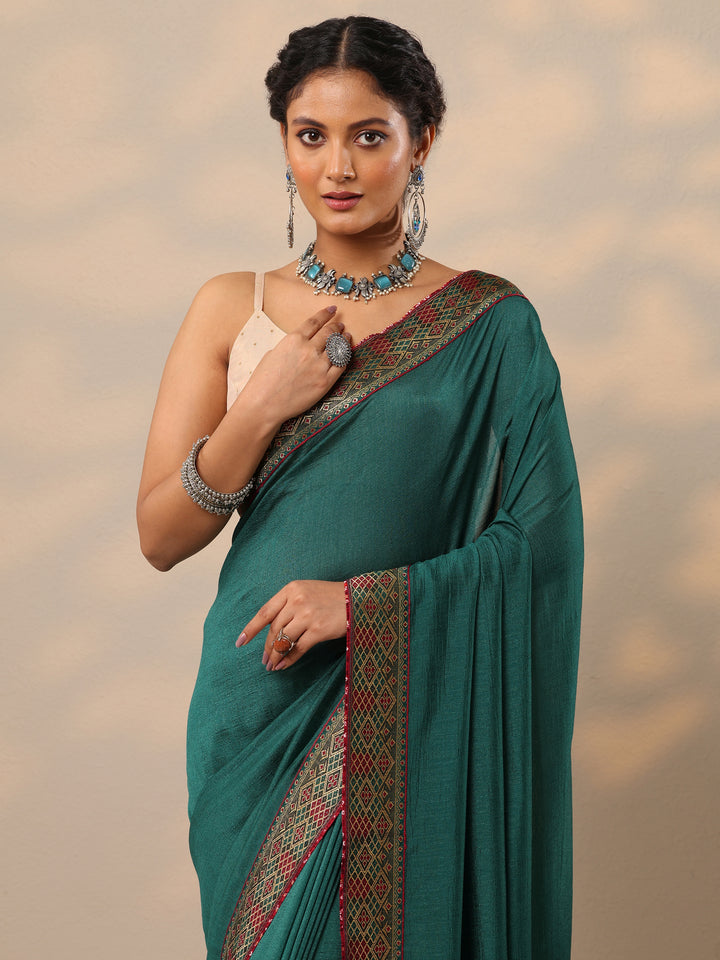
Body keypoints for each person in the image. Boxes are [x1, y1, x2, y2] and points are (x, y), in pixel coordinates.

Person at [137, 15, 583, 960]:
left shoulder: (491, 325)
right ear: (285, 143)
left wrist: (365, 605)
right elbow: (162, 536)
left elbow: (541, 544)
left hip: (407, 702)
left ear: (422, 141)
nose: (337, 167)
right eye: (312, 135)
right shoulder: (231, 307)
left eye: (369, 136)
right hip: (257, 702)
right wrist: (263, 406)